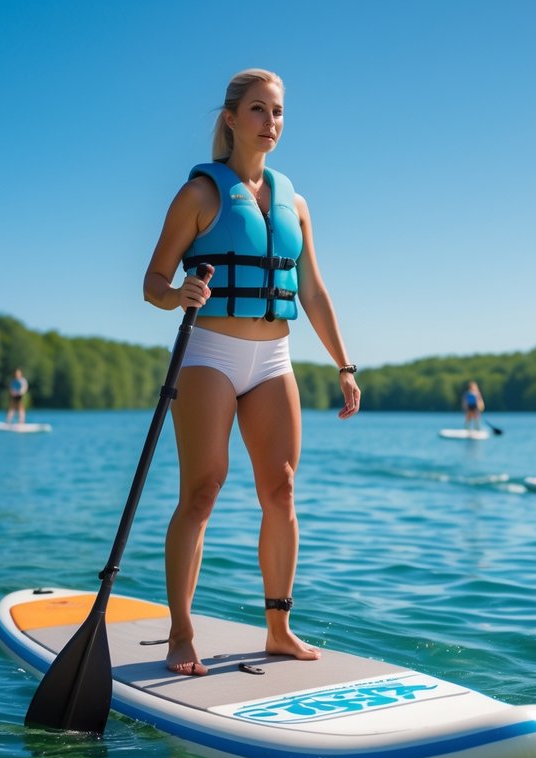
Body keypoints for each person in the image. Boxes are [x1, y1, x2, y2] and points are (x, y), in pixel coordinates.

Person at [142, 68, 360, 677]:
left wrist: (344, 364)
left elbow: (313, 292)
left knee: (282, 489)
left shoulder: (297, 203)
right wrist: (177, 294)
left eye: (280, 112)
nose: (272, 123)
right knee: (204, 488)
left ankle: (278, 629)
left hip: (273, 358)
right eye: (260, 110)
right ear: (232, 118)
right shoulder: (201, 195)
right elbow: (152, 281)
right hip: (209, 350)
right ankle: (181, 632)